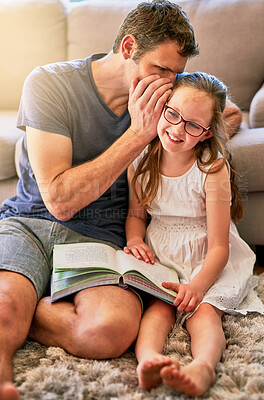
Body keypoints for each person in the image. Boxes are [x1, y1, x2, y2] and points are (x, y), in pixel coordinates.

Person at [0, 1, 243, 399]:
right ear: (128, 47)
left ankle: (32, 300)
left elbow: (226, 114)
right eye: (161, 70)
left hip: (102, 233)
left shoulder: (166, 104)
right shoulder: (49, 82)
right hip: (31, 221)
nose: (168, 84)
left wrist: (190, 141)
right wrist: (139, 135)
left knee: (109, 332)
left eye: (176, 74)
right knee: (5, 306)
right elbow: (60, 201)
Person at [124, 71, 264, 397]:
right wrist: (134, 239)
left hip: (208, 257)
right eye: (172, 114)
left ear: (205, 134)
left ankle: (203, 366)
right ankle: (149, 360)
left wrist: (198, 286)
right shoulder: (141, 159)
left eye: (193, 126)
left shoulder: (211, 167)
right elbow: (135, 215)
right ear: (161, 107)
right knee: (157, 309)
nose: (177, 129)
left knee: (203, 314)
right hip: (163, 251)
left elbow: (219, 245)